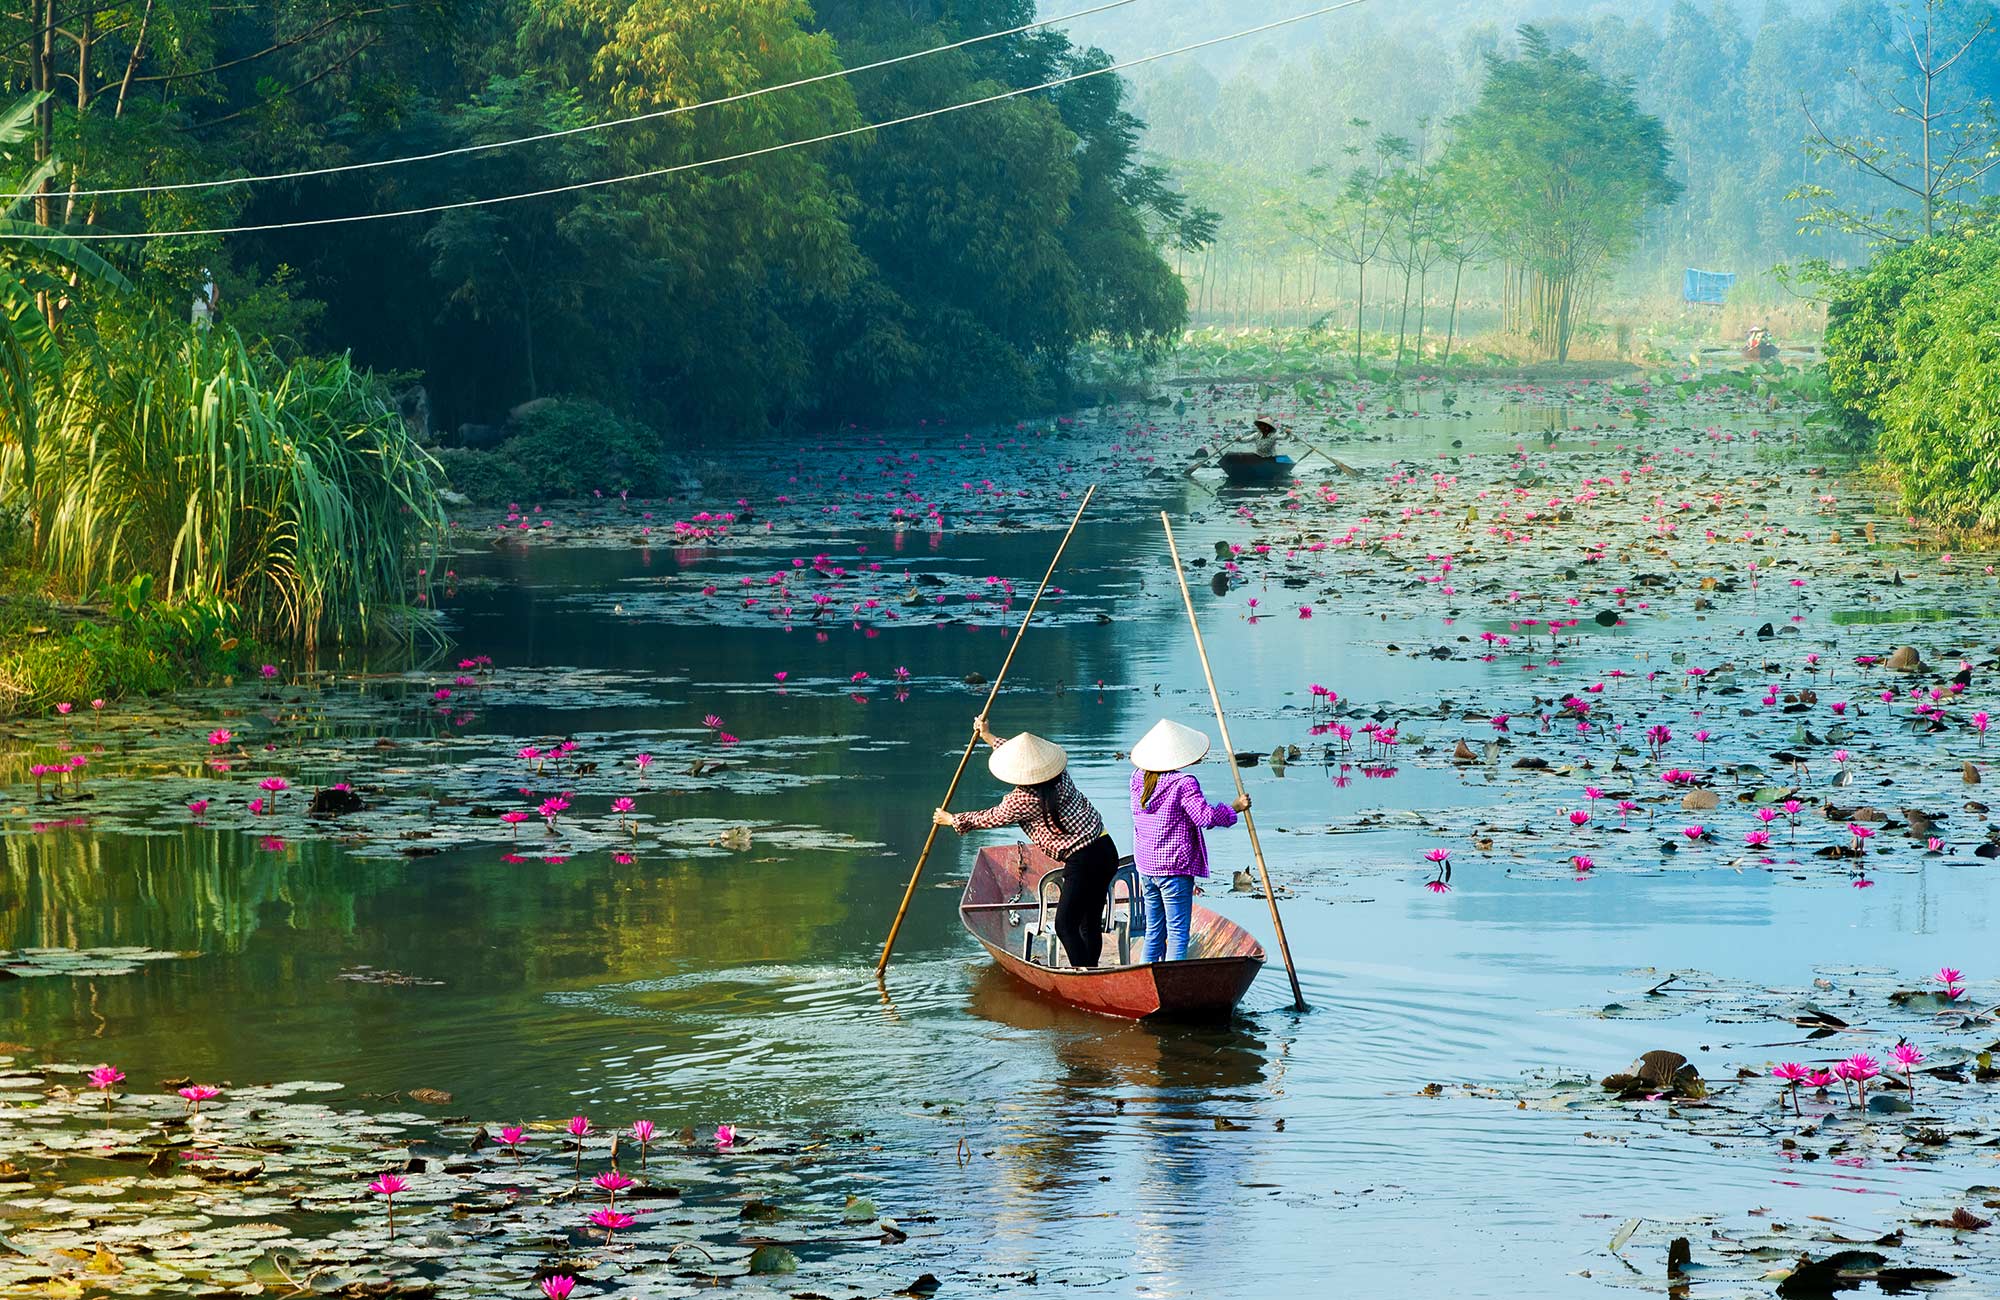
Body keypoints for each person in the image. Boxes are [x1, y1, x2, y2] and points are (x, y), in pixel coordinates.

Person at [935, 716, 1119, 968]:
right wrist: (988, 737)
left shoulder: (1021, 800)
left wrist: (952, 819)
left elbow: (989, 818)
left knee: (1065, 925)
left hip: (1084, 860)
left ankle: (1084, 976)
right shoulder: (1061, 776)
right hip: (1106, 848)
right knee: (1088, 920)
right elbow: (1021, 758)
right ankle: (1091, 970)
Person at [1127, 719, 1250, 963]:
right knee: (1177, 935)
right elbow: (1204, 817)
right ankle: (1172, 986)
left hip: (1147, 866)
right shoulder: (1184, 783)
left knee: (1154, 931)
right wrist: (1234, 808)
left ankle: (1148, 981)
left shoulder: (1137, 777)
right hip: (1173, 868)